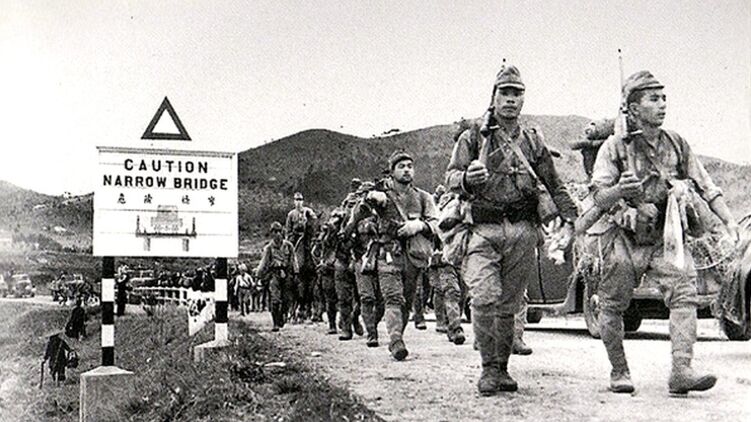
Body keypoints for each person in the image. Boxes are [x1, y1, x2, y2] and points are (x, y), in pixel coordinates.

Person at [587, 70, 739, 394]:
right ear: (633, 108)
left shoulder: (676, 144)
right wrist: (621, 191)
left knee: (684, 292)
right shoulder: (614, 147)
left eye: (664, 98)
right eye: (654, 99)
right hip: (623, 237)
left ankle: (681, 370)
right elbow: (598, 197)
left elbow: (706, 186)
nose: (662, 104)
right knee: (612, 305)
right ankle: (619, 371)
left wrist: (728, 221)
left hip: (664, 236)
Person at [445, 65, 578, 395]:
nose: (510, 99)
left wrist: (572, 216)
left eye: (516, 94)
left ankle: (502, 369)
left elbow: (553, 181)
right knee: (484, 297)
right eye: (504, 93)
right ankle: (488, 368)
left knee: (509, 304)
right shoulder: (473, 136)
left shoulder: (532, 140)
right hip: (482, 230)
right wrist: (466, 179)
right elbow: (450, 178)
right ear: (493, 96)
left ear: (523, 99)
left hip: (522, 230)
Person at [347, 151, 438, 360]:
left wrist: (419, 225)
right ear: (392, 171)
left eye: (409, 166)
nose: (406, 170)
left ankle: (398, 336)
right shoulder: (382, 195)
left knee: (406, 301)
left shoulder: (423, 197)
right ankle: (396, 340)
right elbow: (357, 218)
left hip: (414, 256)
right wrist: (369, 199)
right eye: (401, 166)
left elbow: (436, 224)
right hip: (388, 253)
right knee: (393, 298)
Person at [256, 221, 299, 331]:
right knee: (275, 299)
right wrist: (258, 275)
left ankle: (283, 315)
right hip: (274, 275)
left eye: (279, 231)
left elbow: (294, 260)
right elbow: (264, 262)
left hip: (287, 274)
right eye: (275, 232)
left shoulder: (289, 246)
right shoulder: (269, 248)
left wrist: (296, 272)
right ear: (272, 233)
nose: (278, 234)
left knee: (287, 299)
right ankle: (275, 323)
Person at [285, 192, 319, 322]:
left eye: (300, 200)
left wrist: (311, 220)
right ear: (294, 201)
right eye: (296, 200)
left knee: (315, 251)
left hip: (307, 238)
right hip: (295, 238)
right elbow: (288, 231)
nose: (298, 202)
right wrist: (293, 236)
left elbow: (314, 222)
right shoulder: (291, 214)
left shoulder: (308, 211)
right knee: (291, 251)